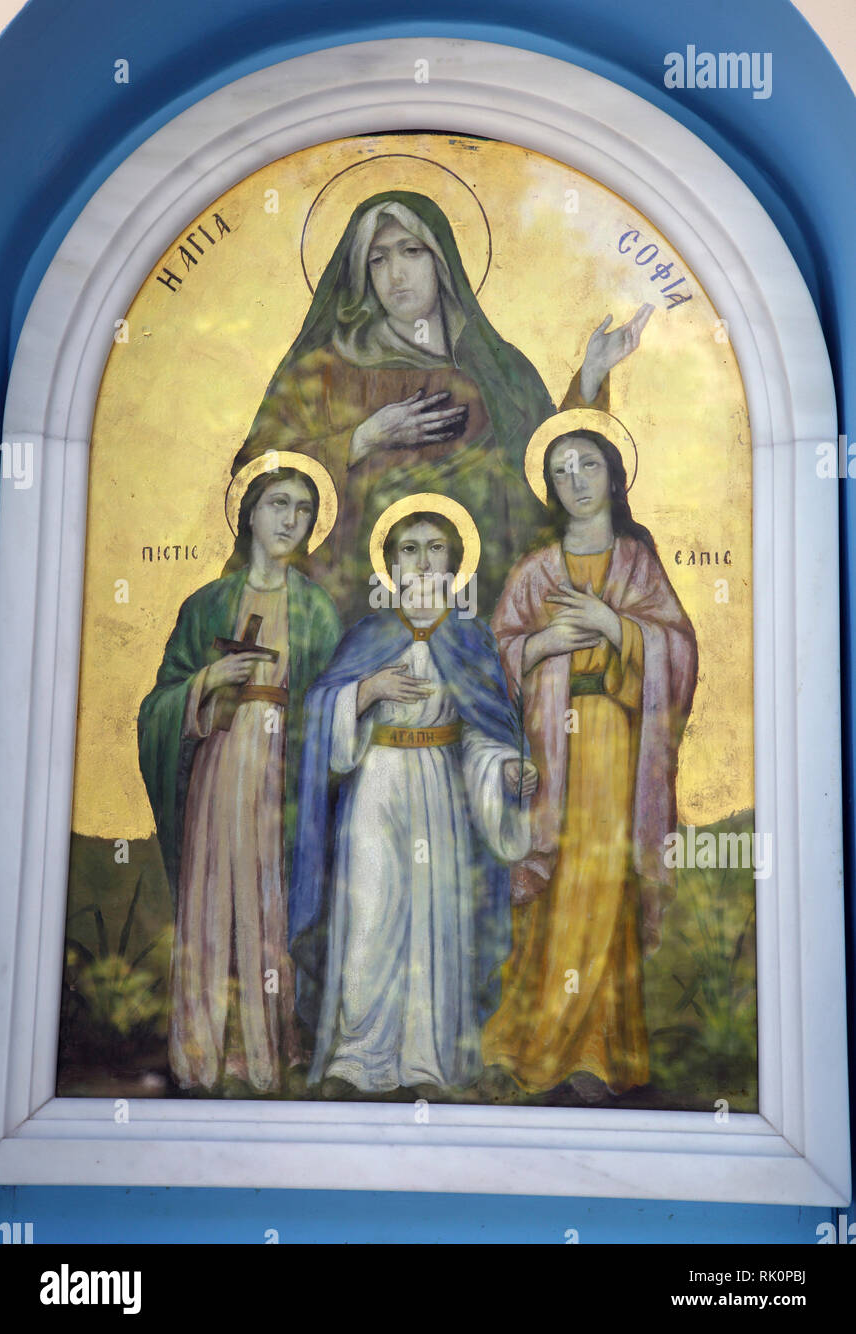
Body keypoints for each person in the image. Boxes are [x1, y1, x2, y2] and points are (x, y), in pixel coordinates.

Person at [230, 188, 652, 618]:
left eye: (410, 251)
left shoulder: (498, 368)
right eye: (378, 259)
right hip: (354, 607)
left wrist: (592, 377)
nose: (395, 274)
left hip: (485, 605)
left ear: (440, 260)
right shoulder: (322, 372)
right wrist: (360, 439)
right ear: (361, 271)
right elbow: (256, 473)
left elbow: (550, 469)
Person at [289, 502, 538, 1096]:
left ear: (454, 562)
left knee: (435, 918)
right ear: (391, 563)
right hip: (374, 783)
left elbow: (485, 729)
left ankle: (427, 1062)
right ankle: (357, 1059)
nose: (423, 560)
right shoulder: (368, 635)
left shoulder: (471, 638)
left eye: (435, 548)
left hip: (442, 788)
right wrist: (367, 689)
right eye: (409, 548)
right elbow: (318, 716)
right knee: (371, 914)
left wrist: (504, 769)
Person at [481, 427, 698, 1103]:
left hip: (613, 750)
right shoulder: (536, 570)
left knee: (602, 891)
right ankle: (535, 1042)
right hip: (548, 751)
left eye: (587, 466)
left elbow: (682, 655)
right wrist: (541, 642)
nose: (575, 481)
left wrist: (614, 626)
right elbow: (493, 666)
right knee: (548, 891)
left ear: (613, 476)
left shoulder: (637, 564)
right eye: (560, 471)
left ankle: (596, 1051)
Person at [137, 462, 342, 1095]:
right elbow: (157, 706)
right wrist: (205, 683)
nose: (289, 519)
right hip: (217, 773)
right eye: (277, 503)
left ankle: (262, 1053)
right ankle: (202, 1054)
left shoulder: (316, 609)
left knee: (264, 905)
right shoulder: (206, 605)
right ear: (249, 513)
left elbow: (327, 703)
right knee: (209, 900)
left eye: (302, 509)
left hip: (279, 780)